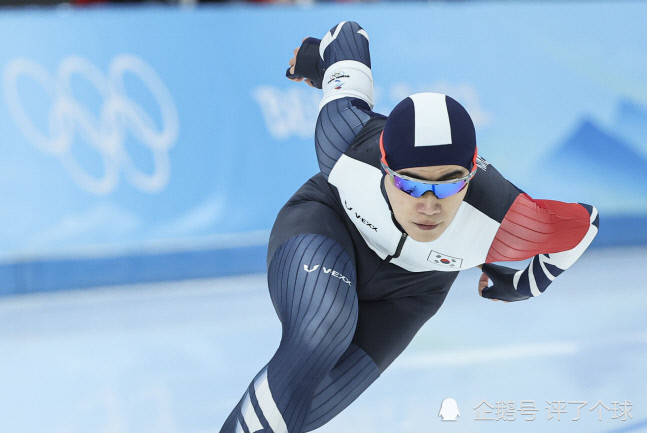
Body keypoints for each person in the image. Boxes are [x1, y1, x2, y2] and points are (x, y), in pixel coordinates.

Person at [219, 21, 599, 433]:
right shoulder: (344, 144)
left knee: (304, 411)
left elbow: (585, 224)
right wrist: (318, 61)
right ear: (384, 167)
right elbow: (348, 34)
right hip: (329, 228)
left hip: (412, 293)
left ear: (471, 174)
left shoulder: (507, 222)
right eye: (409, 183)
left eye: (450, 183)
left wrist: (529, 283)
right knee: (323, 328)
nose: (429, 205)